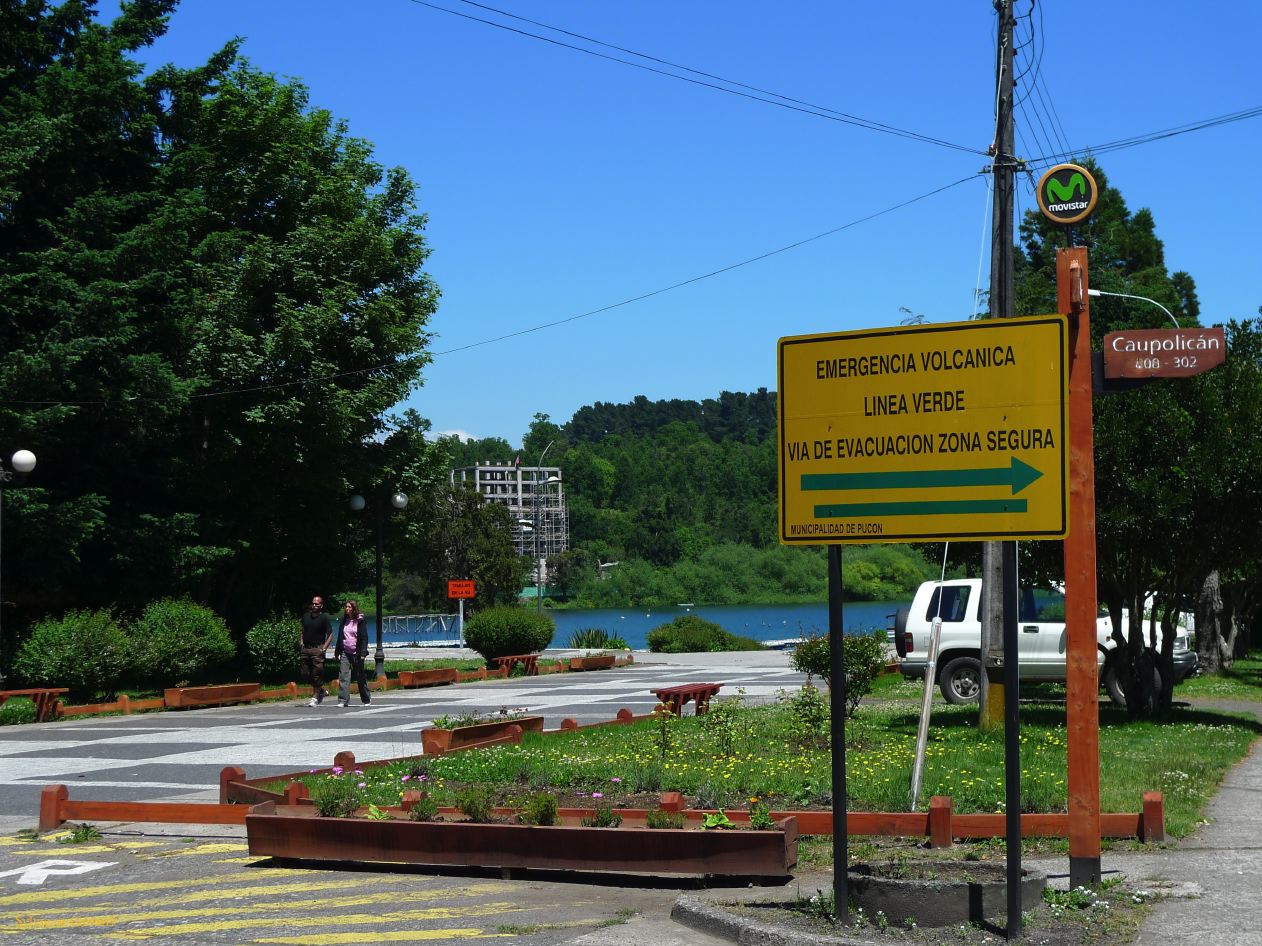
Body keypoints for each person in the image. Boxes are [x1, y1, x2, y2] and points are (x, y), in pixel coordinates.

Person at [335, 599, 372, 707]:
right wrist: (337, 652)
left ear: (354, 609)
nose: (347, 609)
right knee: (343, 676)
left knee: (360, 676)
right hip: (345, 652)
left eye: (349, 607)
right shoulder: (343, 621)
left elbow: (364, 638)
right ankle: (343, 700)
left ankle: (366, 699)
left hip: (357, 653)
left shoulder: (360, 621)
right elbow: (340, 637)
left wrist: (363, 653)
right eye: (346, 607)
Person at [299, 595, 333, 707]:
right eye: (313, 603)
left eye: (317, 604)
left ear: (321, 605)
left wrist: (323, 648)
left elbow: (330, 634)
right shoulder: (306, 616)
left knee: (317, 673)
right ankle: (321, 690)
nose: (314, 605)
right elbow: (302, 631)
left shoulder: (324, 618)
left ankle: (315, 697)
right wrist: (301, 642)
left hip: (317, 649)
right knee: (304, 673)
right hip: (306, 648)